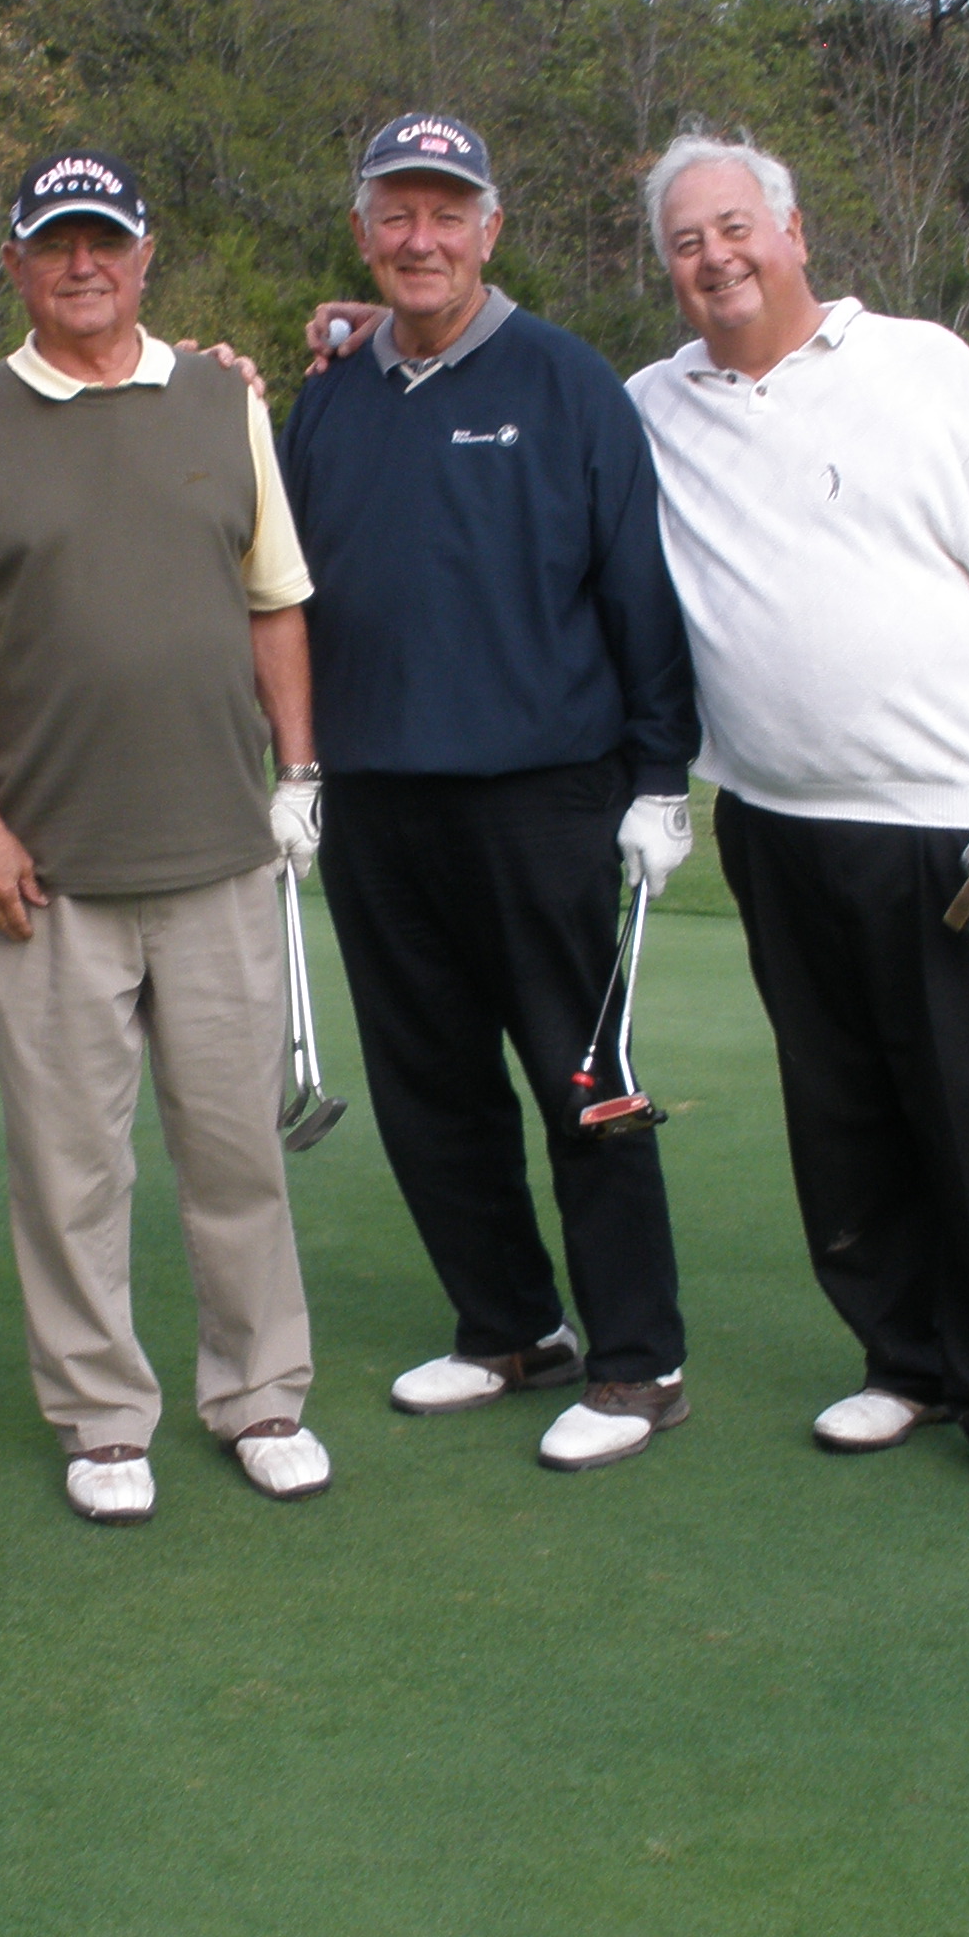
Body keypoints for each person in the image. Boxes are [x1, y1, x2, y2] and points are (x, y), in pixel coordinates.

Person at [627, 132, 969, 1521]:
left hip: (961, 822)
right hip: (777, 822)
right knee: (842, 1113)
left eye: (734, 228)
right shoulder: (653, 406)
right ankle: (905, 1359)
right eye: (685, 243)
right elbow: (526, 411)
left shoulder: (925, 364)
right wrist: (363, 330)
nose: (714, 259)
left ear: (791, 231)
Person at [0, 148, 330, 1525]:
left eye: (106, 241)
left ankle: (259, 1392)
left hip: (217, 851)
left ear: (144, 256)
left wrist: (301, 770)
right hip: (50, 872)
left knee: (233, 1152)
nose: (81, 264)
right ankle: (101, 1419)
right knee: (71, 1166)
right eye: (53, 244)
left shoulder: (223, 396)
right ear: (17, 264)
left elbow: (276, 600)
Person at [282, 113, 701, 1472]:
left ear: (490, 230)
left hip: (545, 798)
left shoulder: (569, 384)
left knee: (586, 1084)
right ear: (364, 232)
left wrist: (658, 776)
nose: (421, 238)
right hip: (379, 802)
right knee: (428, 1087)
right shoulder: (332, 391)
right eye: (396, 213)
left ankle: (641, 1361)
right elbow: (285, 593)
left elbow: (639, 595)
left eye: (446, 213)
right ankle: (512, 1327)